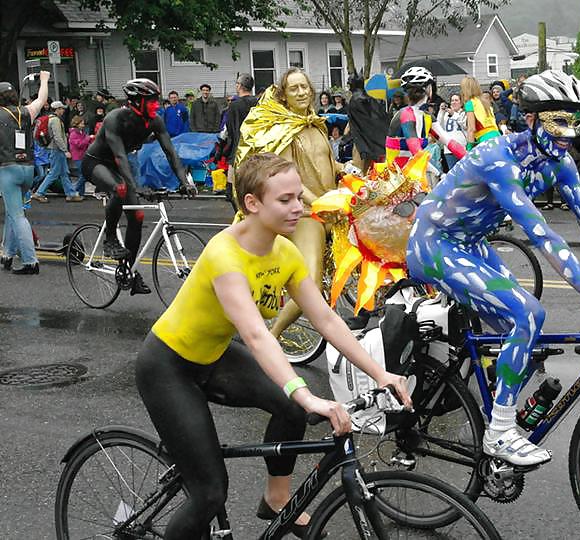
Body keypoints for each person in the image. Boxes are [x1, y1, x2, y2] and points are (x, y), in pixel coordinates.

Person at [406, 69, 580, 466]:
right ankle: (500, 432)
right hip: (433, 244)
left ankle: (492, 412)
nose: (568, 133)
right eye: (559, 121)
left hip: (471, 244)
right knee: (527, 314)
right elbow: (542, 235)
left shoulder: (558, 162)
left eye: (573, 120)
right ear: (532, 119)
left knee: (525, 333)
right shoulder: (497, 157)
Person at [135, 153, 411, 539]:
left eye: (299, 197)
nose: (299, 207)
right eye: (286, 200)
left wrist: (381, 374)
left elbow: (327, 319)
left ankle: (276, 499)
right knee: (210, 494)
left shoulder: (284, 252)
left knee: (289, 406)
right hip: (168, 367)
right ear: (253, 203)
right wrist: (308, 395)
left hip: (213, 356)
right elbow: (256, 335)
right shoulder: (224, 254)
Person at [234, 68, 342, 338]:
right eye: (294, 88)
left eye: (304, 86)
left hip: (329, 208)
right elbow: (288, 176)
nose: (301, 92)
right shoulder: (283, 130)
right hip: (306, 214)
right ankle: (273, 336)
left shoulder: (316, 125)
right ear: (284, 95)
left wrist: (346, 168)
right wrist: (317, 203)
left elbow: (324, 161)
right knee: (312, 286)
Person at [81, 78, 197, 295]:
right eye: (151, 100)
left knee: (138, 216)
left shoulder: (155, 121)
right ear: (136, 102)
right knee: (121, 188)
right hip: (96, 163)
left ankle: (128, 271)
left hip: (117, 167)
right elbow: (119, 156)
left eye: (156, 100)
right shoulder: (115, 118)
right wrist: (136, 187)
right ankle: (110, 239)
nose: (156, 105)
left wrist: (185, 182)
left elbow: (171, 153)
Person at [0, 71, 50, 275]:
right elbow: (41, 99)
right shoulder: (26, 112)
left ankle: (30, 261)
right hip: (28, 168)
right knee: (14, 212)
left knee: (17, 215)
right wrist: (45, 80)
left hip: (7, 169)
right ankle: (8, 254)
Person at [31, 101, 83, 203]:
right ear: (57, 109)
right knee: (54, 173)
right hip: (57, 150)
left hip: (55, 149)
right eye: (61, 108)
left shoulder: (50, 119)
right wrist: (65, 150)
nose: (63, 110)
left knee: (64, 173)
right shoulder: (55, 120)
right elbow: (58, 137)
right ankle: (39, 193)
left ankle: (71, 194)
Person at [386, 66, 435, 170]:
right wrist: (439, 173)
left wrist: (469, 158)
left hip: (414, 172)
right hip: (397, 177)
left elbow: (450, 142)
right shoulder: (406, 114)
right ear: (427, 89)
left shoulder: (427, 116)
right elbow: (415, 151)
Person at [223, 73, 257, 206]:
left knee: (233, 190)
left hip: (238, 150)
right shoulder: (259, 103)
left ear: (240, 86)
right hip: (256, 149)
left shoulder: (234, 106)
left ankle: (241, 215)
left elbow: (230, 130)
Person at [461, 77, 501, 150]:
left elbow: (471, 129)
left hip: (485, 139)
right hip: (497, 136)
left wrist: (469, 148)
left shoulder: (470, 103)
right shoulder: (485, 101)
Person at [437, 94, 467, 170]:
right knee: (453, 172)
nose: (454, 102)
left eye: (456, 100)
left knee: (464, 171)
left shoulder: (464, 113)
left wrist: (454, 114)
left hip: (462, 147)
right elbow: (438, 126)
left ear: (461, 103)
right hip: (449, 149)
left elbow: (465, 125)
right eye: (452, 100)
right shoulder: (446, 115)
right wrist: (441, 111)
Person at [68, 116, 93, 197]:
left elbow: (84, 143)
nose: (83, 124)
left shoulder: (81, 132)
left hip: (83, 156)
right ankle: (74, 190)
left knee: (82, 174)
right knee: (84, 175)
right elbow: (79, 144)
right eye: (81, 123)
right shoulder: (73, 134)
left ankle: (81, 194)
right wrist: (88, 138)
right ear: (77, 124)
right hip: (78, 157)